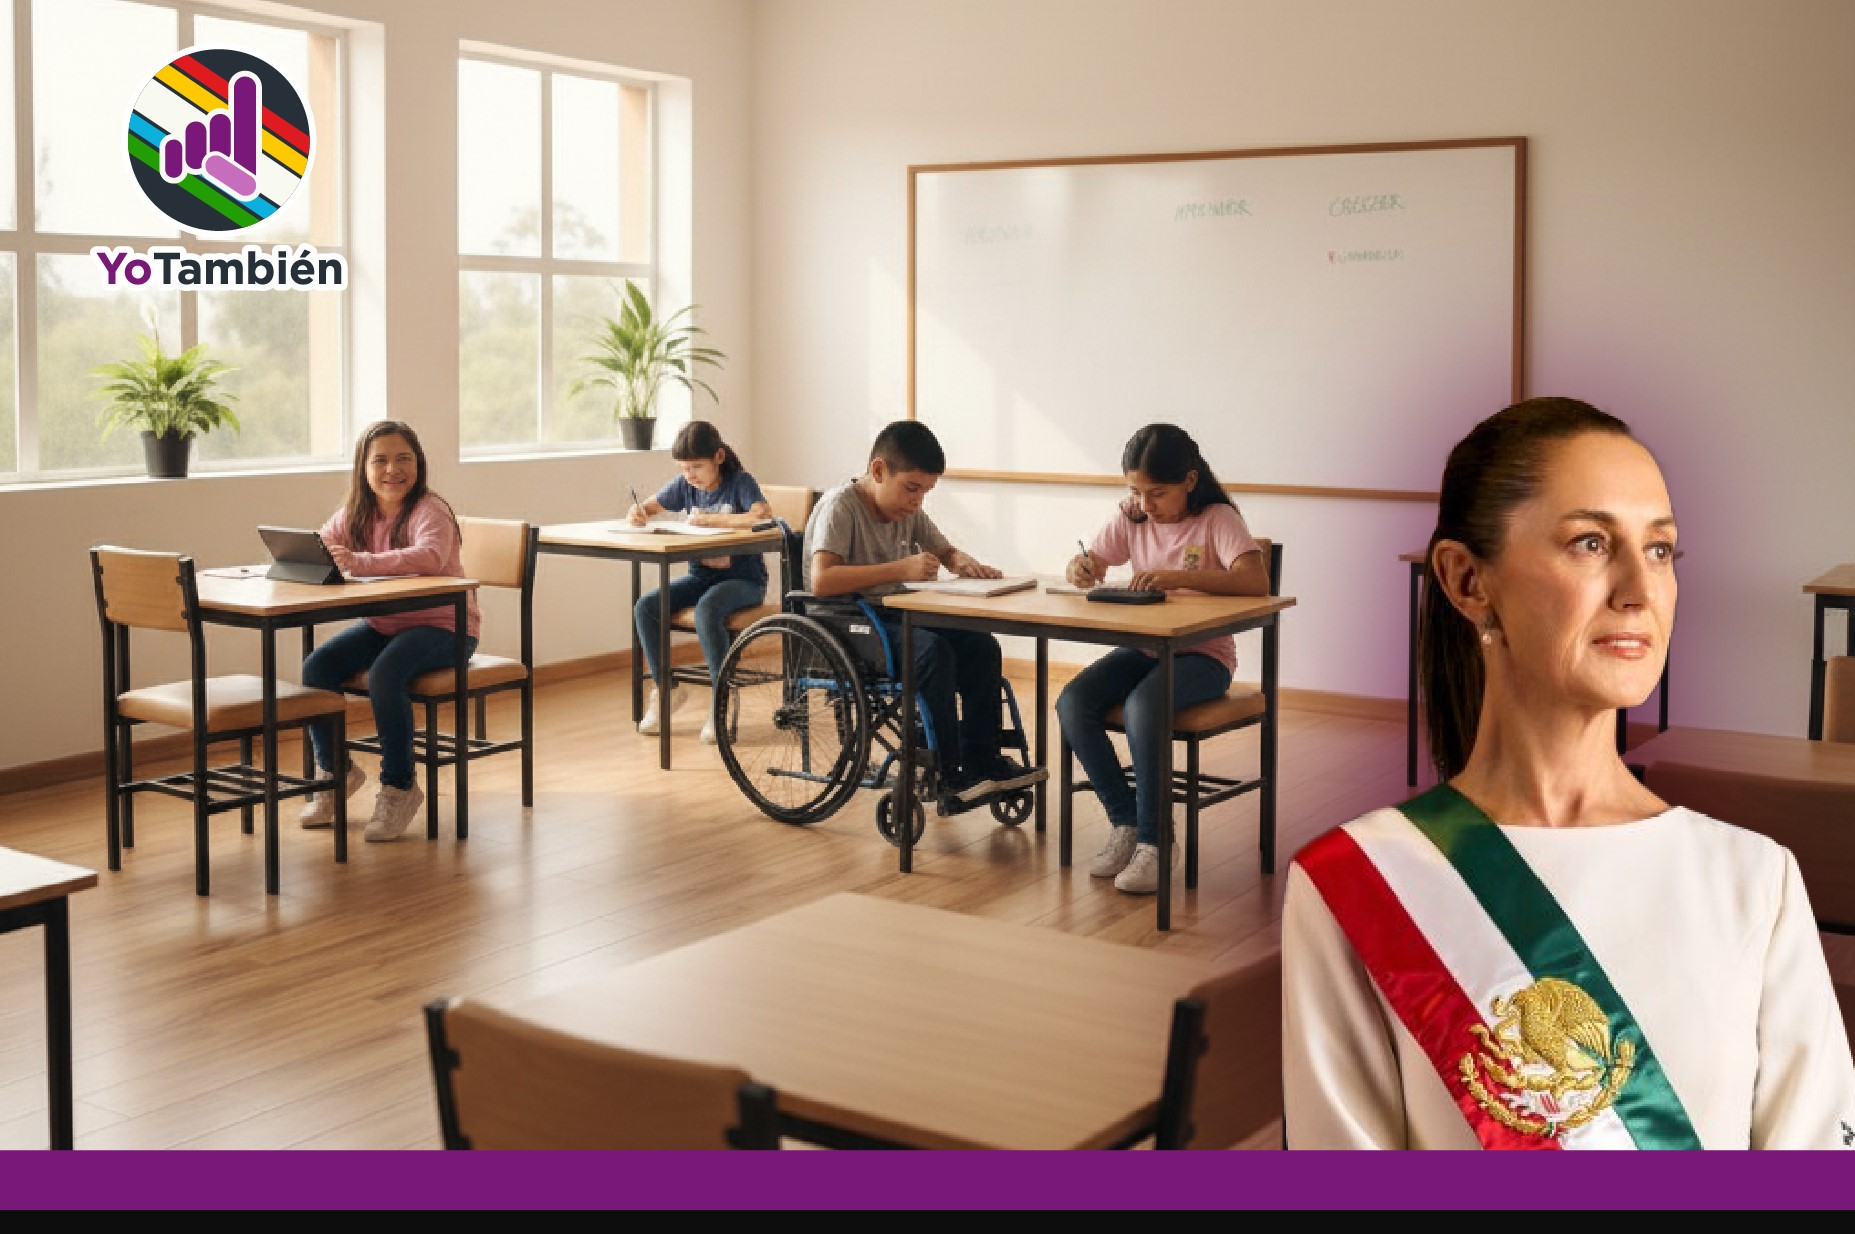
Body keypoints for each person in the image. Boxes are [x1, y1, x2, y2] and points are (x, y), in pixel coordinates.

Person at [1281, 396, 1855, 1149]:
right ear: (1464, 580)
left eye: (1658, 550)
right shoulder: (1353, 882)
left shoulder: (1753, 879)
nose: (1639, 591)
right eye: (1589, 542)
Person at [1055, 424, 1270, 895]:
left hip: (1203, 657)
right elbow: (1092, 563)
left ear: (1190, 481)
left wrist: (1177, 577)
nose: (1145, 505)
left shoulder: (1217, 519)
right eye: (1136, 491)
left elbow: (1256, 582)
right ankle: (1126, 822)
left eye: (1157, 493)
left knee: (1143, 707)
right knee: (1073, 702)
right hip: (1144, 647)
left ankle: (1157, 841)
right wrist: (1081, 569)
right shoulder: (1132, 516)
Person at [804, 419, 1045, 806]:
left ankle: (981, 760)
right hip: (847, 621)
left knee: (982, 648)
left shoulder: (906, 508)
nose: (917, 501)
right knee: (933, 653)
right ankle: (945, 773)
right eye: (912, 489)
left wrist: (962, 561)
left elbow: (944, 550)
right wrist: (900, 569)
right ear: (879, 471)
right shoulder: (840, 506)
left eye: (925, 492)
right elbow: (821, 580)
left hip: (892, 616)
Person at [297, 420, 481, 843]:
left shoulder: (430, 508)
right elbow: (325, 544)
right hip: (386, 624)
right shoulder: (356, 512)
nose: (391, 470)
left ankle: (400, 786)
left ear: (418, 464)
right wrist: (319, 556)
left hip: (445, 627)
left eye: (403, 459)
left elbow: (431, 557)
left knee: (386, 674)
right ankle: (336, 774)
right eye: (379, 460)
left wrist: (360, 562)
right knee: (317, 668)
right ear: (363, 468)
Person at [627, 420, 774, 744]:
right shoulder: (685, 485)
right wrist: (637, 513)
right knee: (647, 607)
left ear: (718, 457)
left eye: (697, 466)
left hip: (743, 581)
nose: (690, 474)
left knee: (708, 611)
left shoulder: (739, 482)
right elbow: (649, 507)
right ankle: (666, 690)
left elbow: (762, 516)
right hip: (701, 577)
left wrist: (712, 519)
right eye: (684, 468)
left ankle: (720, 698)